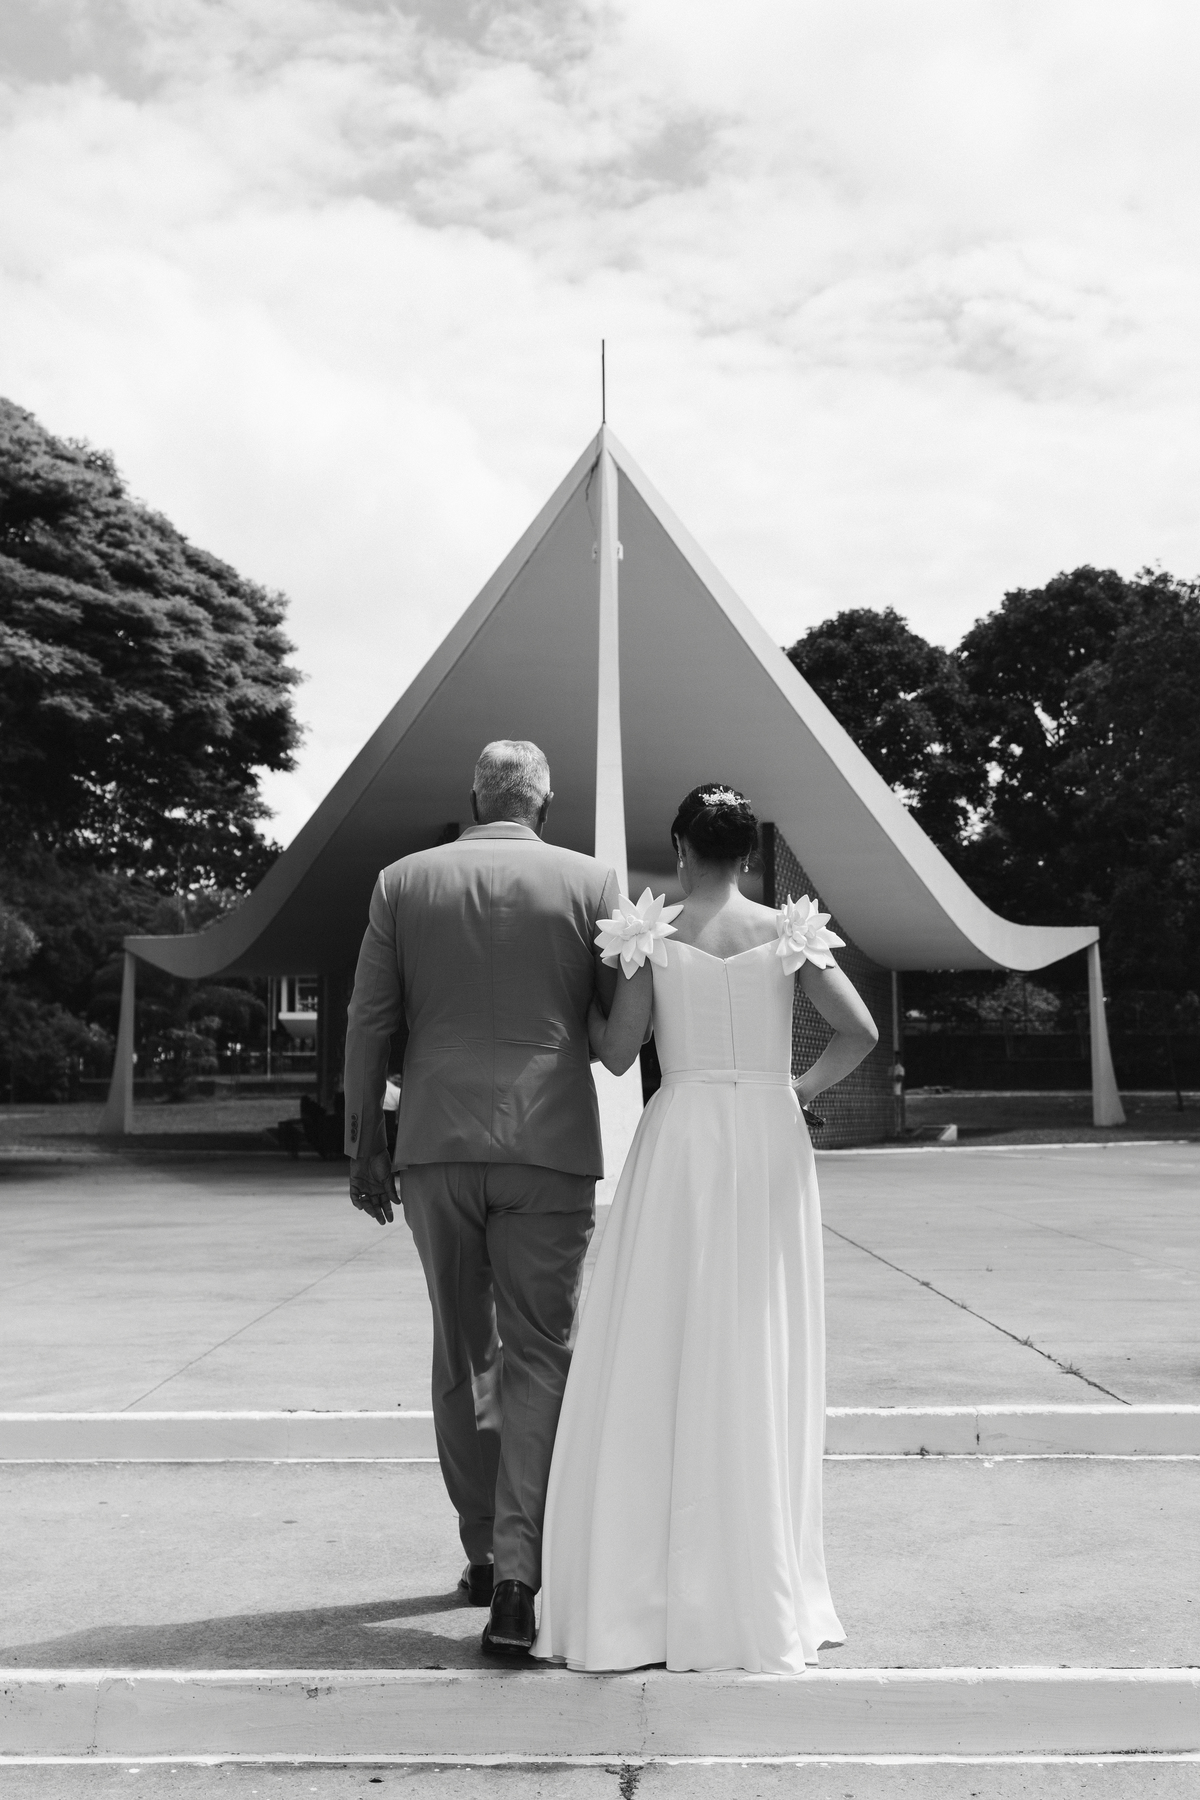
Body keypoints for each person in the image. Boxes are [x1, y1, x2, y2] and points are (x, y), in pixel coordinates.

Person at [534, 784, 879, 1673]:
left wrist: (577, 999)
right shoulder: (788, 931)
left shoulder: (652, 935)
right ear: (749, 854)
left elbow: (618, 1053)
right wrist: (796, 1089)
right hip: (767, 1134)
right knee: (756, 1332)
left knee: (664, 1329)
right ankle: (756, 1579)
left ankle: (645, 1584)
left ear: (682, 848)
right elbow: (861, 1032)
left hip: (683, 1133)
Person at [342, 740, 620, 1657]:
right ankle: (518, 1579)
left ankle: (481, 1550)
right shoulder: (592, 883)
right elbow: (618, 1020)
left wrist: (365, 1141)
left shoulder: (402, 882)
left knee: (463, 1348)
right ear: (546, 802)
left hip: (437, 1143)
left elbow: (370, 1021)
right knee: (539, 1353)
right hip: (550, 1141)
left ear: (474, 796)